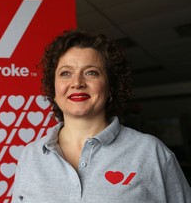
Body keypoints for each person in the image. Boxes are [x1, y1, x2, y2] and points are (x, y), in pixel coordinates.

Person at [11, 29, 191, 202]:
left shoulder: (151, 152)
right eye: (65, 73)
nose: (77, 83)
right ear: (54, 89)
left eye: (91, 72)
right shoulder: (31, 155)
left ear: (110, 88)